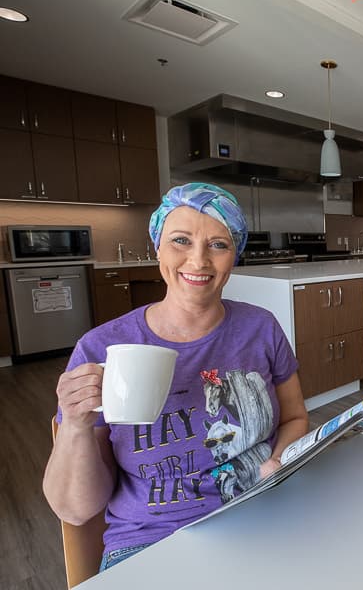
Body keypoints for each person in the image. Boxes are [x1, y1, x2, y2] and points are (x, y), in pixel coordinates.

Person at [43, 183, 309, 570]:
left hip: (262, 516)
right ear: (158, 248)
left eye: (218, 244)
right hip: (152, 543)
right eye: (180, 240)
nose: (198, 261)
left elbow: (295, 418)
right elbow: (75, 509)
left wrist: (280, 458)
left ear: (234, 255)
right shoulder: (101, 348)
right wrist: (76, 427)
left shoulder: (261, 328)